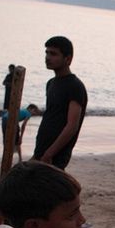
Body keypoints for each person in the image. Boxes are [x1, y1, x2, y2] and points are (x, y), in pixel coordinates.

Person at [33, 36, 88, 169]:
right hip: (41, 151)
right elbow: (52, 115)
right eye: (46, 52)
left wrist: (49, 154)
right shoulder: (51, 83)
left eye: (53, 54)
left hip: (55, 156)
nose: (47, 57)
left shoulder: (74, 86)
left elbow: (72, 126)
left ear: (68, 59)